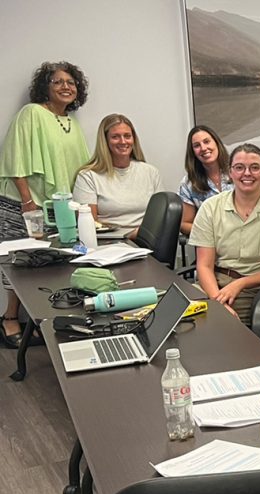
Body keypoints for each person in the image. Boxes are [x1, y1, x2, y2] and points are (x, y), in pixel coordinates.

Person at [0, 61, 90, 348]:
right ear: (45, 88)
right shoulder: (31, 114)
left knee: (46, 266)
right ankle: (9, 319)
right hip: (22, 203)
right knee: (17, 263)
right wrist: (27, 201)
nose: (66, 87)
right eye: (58, 82)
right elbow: (14, 158)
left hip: (56, 209)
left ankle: (38, 322)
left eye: (71, 83)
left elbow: (79, 168)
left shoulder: (72, 123)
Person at [189, 143, 260, 327]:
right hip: (213, 285)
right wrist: (218, 301)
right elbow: (204, 265)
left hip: (256, 290)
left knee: (218, 330)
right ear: (230, 173)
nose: (247, 173)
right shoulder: (210, 207)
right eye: (239, 168)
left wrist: (240, 284)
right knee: (180, 324)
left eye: (255, 167)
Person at [72, 114, 162, 236]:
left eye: (127, 136)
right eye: (115, 137)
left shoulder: (151, 172)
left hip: (146, 240)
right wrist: (129, 235)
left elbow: (160, 218)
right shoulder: (87, 176)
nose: (123, 141)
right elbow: (89, 225)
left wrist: (141, 234)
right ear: (105, 141)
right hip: (108, 242)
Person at [179, 125, 233, 235]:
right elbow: (185, 224)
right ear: (193, 152)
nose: (203, 148)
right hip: (210, 244)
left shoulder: (238, 171)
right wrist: (211, 234)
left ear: (216, 143)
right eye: (197, 145)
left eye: (207, 141)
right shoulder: (188, 183)